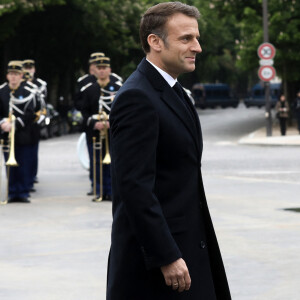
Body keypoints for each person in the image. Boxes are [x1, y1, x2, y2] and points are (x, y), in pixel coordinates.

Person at [107, 2, 231, 300]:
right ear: (155, 42)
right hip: (158, 266)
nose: (197, 47)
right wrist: (166, 256)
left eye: (196, 38)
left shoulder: (173, 90)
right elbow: (134, 188)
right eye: (186, 38)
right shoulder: (137, 97)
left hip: (187, 248)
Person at [81, 56, 122, 201]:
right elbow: (84, 112)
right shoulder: (89, 90)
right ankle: (99, 191)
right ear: (96, 71)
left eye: (105, 68)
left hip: (112, 132)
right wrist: (94, 123)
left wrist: (113, 122)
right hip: (95, 132)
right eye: (100, 68)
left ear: (110, 70)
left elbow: (122, 110)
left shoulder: (118, 88)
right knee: (96, 162)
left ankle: (111, 191)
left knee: (113, 163)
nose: (102, 71)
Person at [0, 61, 36, 203]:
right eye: (11, 74)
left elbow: (31, 113)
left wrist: (14, 124)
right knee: (9, 165)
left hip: (23, 134)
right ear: (7, 75)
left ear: (21, 75)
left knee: (23, 163)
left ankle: (22, 192)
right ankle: (12, 191)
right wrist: (3, 123)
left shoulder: (28, 92)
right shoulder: (2, 91)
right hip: (6, 133)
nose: (13, 77)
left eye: (16, 74)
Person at [22, 59, 47, 190]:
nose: (28, 70)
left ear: (34, 69)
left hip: (34, 122)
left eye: (30, 68)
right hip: (21, 123)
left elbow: (42, 105)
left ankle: (32, 176)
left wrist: (40, 119)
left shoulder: (40, 84)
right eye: (25, 68)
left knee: (32, 152)